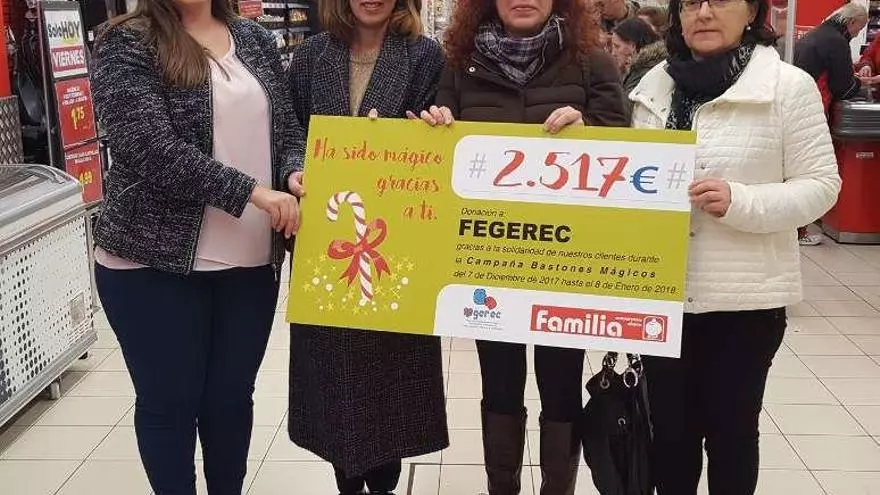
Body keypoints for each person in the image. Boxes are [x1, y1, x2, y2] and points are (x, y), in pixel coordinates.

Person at [89, 0, 303, 492]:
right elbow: (149, 148)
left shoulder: (254, 39)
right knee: (170, 404)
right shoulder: (128, 41)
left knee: (230, 403)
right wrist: (253, 192)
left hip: (250, 263)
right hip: (152, 263)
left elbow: (288, 130)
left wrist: (294, 171)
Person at [629, 0, 841, 493]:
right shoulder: (654, 84)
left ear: (751, 12)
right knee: (671, 437)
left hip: (744, 302)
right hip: (662, 296)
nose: (703, 13)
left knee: (732, 435)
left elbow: (821, 186)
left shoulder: (786, 87)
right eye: (690, 3)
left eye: (720, 0)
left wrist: (741, 201)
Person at [421, 0, 628, 492]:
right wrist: (435, 127)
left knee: (561, 386)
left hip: (567, 259)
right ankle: (502, 486)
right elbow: (440, 156)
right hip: (489, 259)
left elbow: (625, 146)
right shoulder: (461, 63)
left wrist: (590, 132)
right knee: (499, 386)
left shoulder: (590, 60)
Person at [285, 0, 448, 493]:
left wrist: (428, 127)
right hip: (328, 239)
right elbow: (288, 131)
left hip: (394, 245)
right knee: (333, 379)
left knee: (388, 381)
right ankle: (346, 481)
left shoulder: (423, 56)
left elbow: (441, 137)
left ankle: (384, 483)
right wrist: (292, 169)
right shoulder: (311, 56)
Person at [793, 1, 867, 246]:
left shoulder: (816, 34)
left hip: (799, 108)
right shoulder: (836, 41)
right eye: (859, 28)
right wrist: (862, 84)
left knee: (795, 167)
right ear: (851, 22)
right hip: (815, 110)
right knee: (809, 170)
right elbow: (842, 87)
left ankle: (796, 229)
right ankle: (799, 232)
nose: (857, 33)